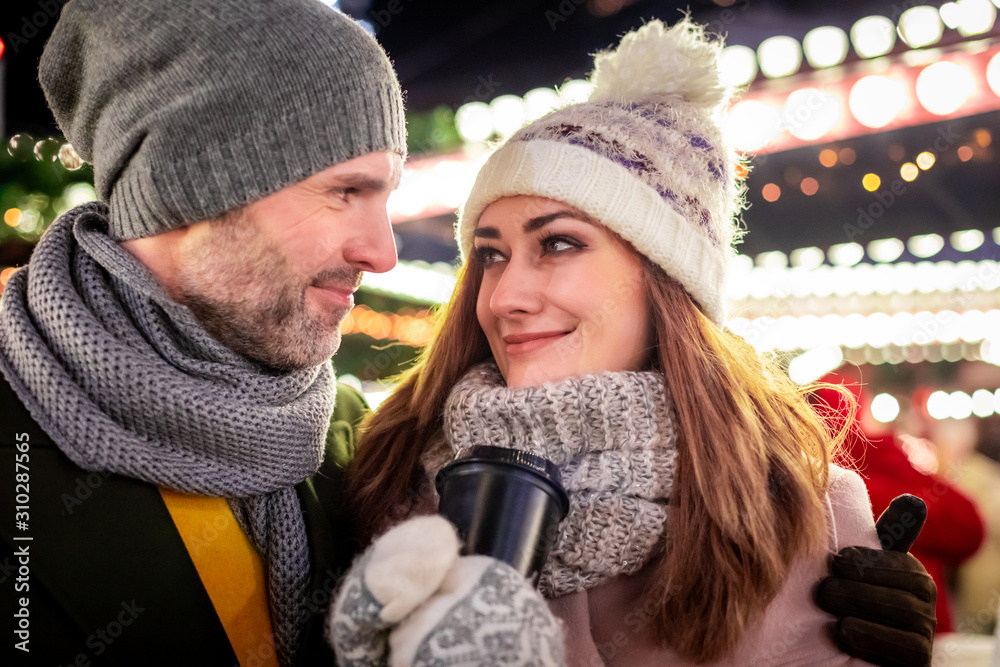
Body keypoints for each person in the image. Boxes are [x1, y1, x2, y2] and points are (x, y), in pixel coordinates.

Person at [329, 18, 936, 667]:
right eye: (491, 255)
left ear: (663, 278)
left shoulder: (803, 512)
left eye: (558, 242)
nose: (504, 296)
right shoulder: (386, 477)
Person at [0, 0, 405, 664]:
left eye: (385, 196)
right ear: (190, 184)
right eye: (343, 192)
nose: (380, 252)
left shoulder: (360, 441)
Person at [812, 370, 984, 634]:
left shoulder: (803, 483)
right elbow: (969, 531)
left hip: (833, 640)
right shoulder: (882, 474)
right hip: (916, 635)